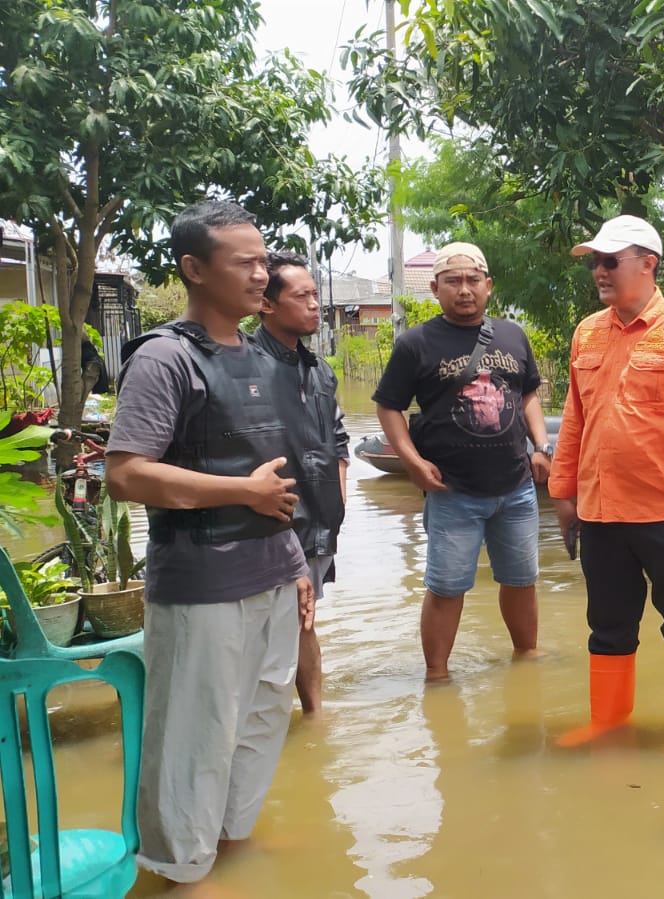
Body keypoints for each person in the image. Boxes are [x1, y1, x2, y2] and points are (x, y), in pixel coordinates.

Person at [105, 200, 314, 883]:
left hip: (273, 575)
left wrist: (298, 564)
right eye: (245, 263)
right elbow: (126, 473)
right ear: (195, 269)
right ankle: (175, 871)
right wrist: (240, 494)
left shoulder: (261, 354)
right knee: (193, 739)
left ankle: (228, 852)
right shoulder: (165, 360)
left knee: (260, 722)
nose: (263, 275)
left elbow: (275, 470)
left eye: (265, 259)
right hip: (202, 585)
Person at [549, 214, 664, 755]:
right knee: (607, 623)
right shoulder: (587, 331)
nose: (600, 272)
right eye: (595, 262)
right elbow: (575, 418)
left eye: (611, 261)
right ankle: (608, 723)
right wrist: (563, 493)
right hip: (602, 512)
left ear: (648, 264)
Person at [372, 242, 553, 681]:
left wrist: (542, 447)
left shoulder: (512, 334)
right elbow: (388, 406)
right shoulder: (416, 343)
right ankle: (436, 676)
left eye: (473, 280)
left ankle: (526, 658)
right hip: (452, 490)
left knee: (521, 579)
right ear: (435, 289)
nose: (465, 289)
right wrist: (411, 461)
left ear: (488, 286)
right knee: (446, 587)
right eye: (453, 281)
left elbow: (528, 393)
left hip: (515, 487)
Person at [251, 251, 349, 713]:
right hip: (267, 525)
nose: (315, 304)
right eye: (302, 295)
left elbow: (339, 440)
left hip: (318, 524)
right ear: (267, 304)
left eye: (316, 294)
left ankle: (314, 721)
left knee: (304, 623)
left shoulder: (319, 370)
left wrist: (339, 502)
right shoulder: (244, 368)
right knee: (263, 630)